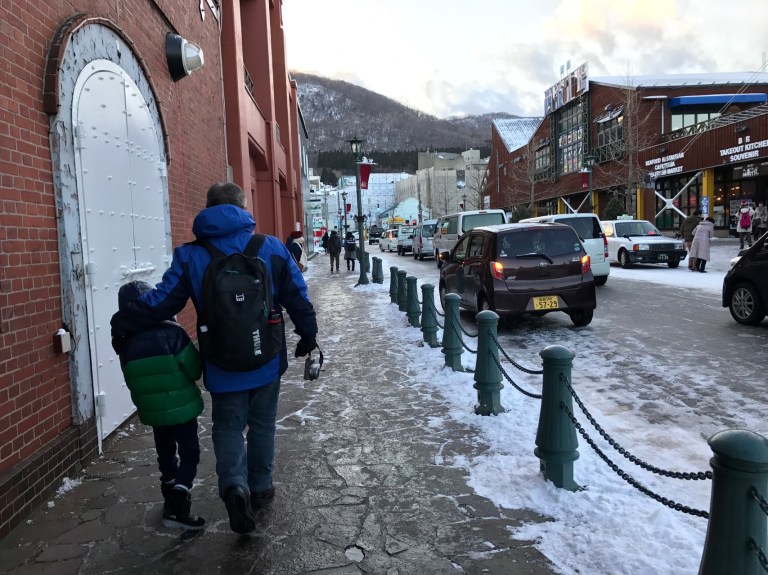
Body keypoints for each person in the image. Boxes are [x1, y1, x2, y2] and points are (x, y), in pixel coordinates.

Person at [111, 182, 318, 535]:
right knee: (263, 425)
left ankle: (234, 486)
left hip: (222, 362)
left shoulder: (190, 255)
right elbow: (297, 294)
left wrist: (124, 320)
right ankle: (260, 487)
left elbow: (162, 301)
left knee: (227, 427)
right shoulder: (270, 247)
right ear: (242, 207)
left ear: (208, 208)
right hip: (267, 356)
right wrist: (308, 333)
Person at [114, 280, 205, 530]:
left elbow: (131, 379)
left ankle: (169, 496)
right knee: (190, 452)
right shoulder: (173, 332)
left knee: (165, 452)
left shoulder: (125, 342)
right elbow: (195, 369)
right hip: (183, 407)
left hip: (154, 412)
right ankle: (181, 501)